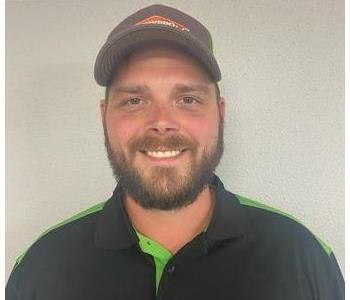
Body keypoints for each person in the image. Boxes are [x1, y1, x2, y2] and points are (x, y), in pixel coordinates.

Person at [6, 4, 344, 300]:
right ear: (104, 116)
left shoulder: (302, 258)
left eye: (188, 99)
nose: (162, 123)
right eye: (135, 101)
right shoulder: (41, 269)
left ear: (221, 114)